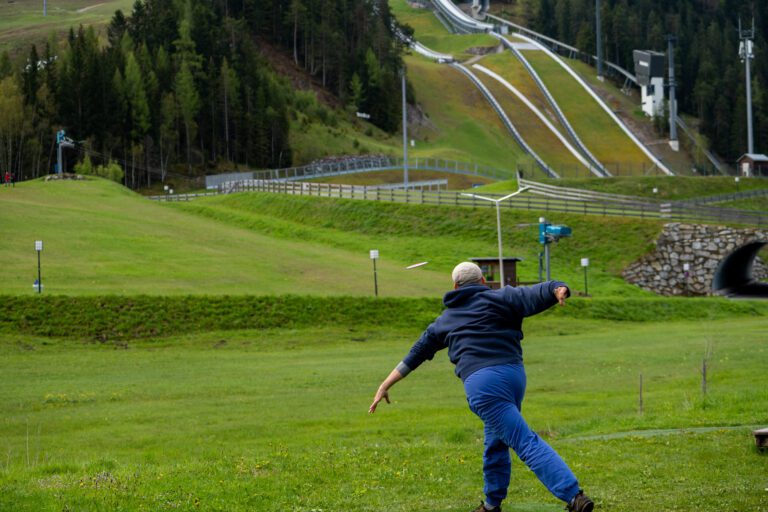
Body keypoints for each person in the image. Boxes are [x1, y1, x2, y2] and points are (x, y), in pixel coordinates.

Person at [369, 262, 594, 512]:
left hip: (484, 386)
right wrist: (559, 289)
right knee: (495, 440)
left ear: (455, 286)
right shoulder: (504, 297)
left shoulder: (446, 319)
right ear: (484, 282)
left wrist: (386, 384)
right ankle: (491, 504)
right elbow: (540, 291)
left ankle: (574, 496)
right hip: (514, 377)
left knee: (524, 440)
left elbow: (416, 353)